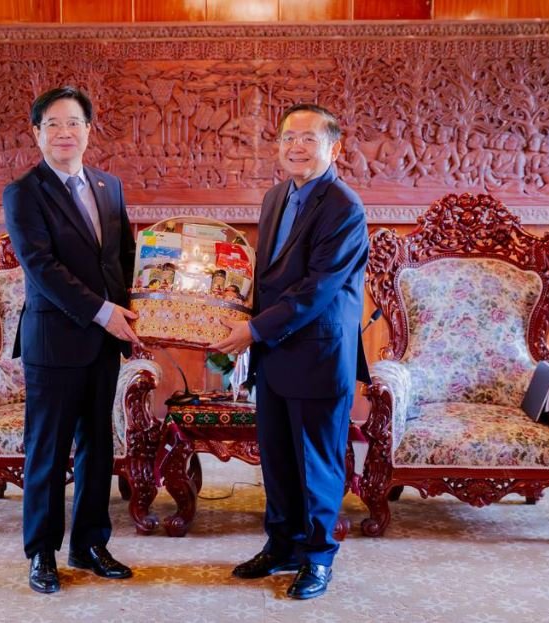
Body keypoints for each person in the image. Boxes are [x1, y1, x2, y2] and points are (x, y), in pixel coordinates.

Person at [210, 104, 370, 601]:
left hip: (318, 355)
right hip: (274, 355)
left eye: (308, 138)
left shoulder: (344, 207)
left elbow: (316, 290)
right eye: (287, 138)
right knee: (277, 459)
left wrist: (253, 330)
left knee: (317, 465)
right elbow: (268, 277)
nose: (295, 147)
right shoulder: (276, 196)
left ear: (334, 148)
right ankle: (281, 545)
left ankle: (318, 558)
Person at [2, 86, 139, 594]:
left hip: (103, 344)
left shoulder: (108, 185)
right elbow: (42, 268)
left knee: (98, 446)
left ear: (88, 130)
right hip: (55, 342)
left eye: (74, 123)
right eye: (54, 124)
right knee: (48, 449)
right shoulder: (24, 192)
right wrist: (104, 313)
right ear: (37, 133)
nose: (65, 133)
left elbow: (124, 257)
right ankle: (42, 552)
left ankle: (90, 544)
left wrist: (150, 305)